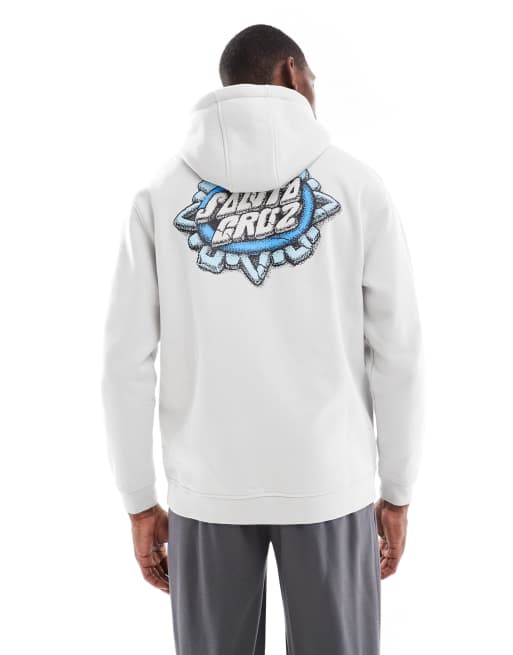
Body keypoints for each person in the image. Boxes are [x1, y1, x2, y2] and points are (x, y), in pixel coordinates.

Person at [101, 23, 426, 655]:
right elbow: (399, 353)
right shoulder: (357, 187)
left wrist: (140, 501)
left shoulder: (159, 196)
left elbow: (124, 361)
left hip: (208, 487)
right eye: (313, 79)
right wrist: (398, 490)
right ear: (290, 73)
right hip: (329, 480)